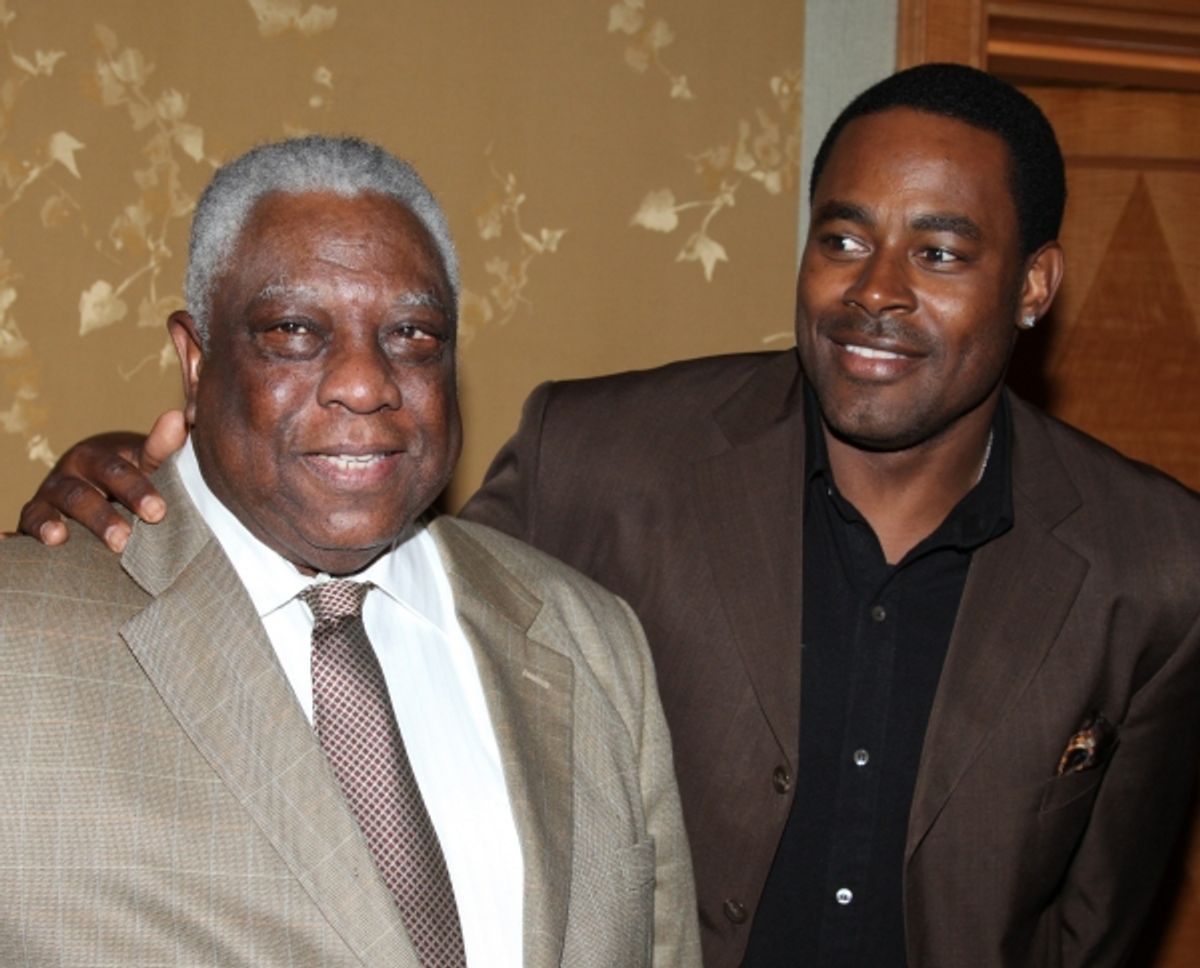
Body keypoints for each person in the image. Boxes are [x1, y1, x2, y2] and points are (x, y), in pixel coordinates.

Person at [17, 64, 1200, 968]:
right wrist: (160, 491)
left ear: (1033, 284)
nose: (875, 288)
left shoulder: (1156, 562)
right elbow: (368, 555)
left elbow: (1098, 919)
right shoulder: (611, 456)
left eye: (939, 251)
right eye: (842, 236)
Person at [0, 135, 700, 968]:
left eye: (412, 334)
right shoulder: (22, 647)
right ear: (195, 361)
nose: (366, 383)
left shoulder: (593, 642)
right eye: (294, 331)